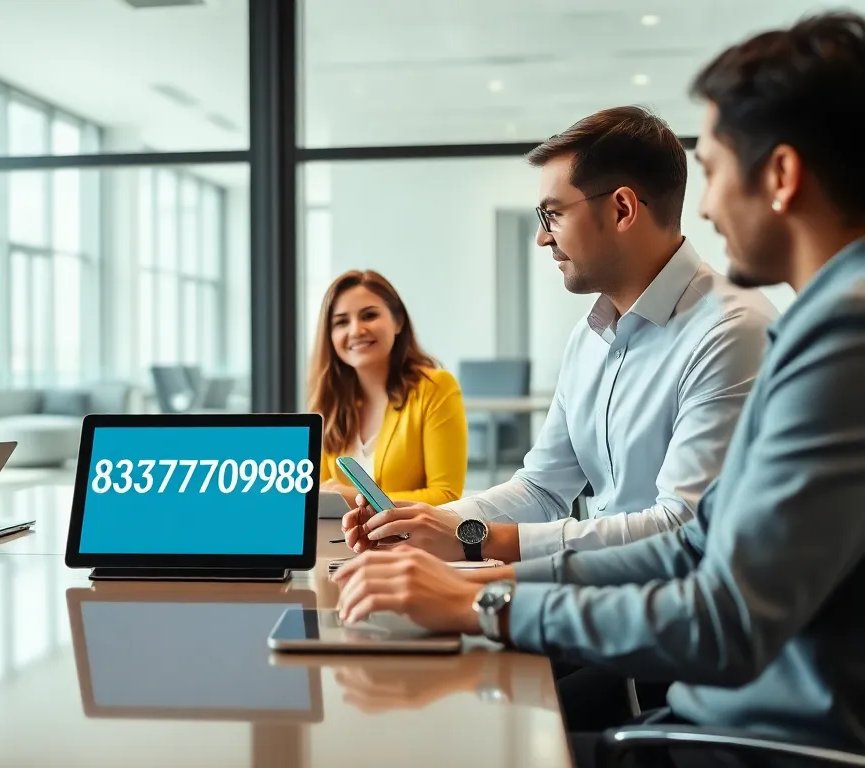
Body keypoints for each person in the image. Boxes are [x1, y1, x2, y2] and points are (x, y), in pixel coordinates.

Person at [334, 11, 865, 763]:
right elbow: (693, 543)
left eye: (712, 171)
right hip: (706, 698)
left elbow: (720, 610)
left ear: (779, 176)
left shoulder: (822, 331)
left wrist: (485, 593)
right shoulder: (807, 322)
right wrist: (466, 552)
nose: (705, 207)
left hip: (752, 733)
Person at [341, 106, 777, 566]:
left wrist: (479, 539)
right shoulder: (589, 337)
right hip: (600, 601)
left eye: (553, 215)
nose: (542, 239)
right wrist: (423, 522)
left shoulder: (730, 332)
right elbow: (542, 487)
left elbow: (681, 527)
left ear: (622, 209)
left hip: (680, 617)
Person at [308, 270, 467, 505]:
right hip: (339, 541)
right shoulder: (330, 402)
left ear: (398, 321)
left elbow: (446, 496)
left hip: (410, 541)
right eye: (341, 322)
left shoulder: (436, 388)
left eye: (369, 315)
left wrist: (357, 497)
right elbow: (317, 497)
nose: (356, 330)